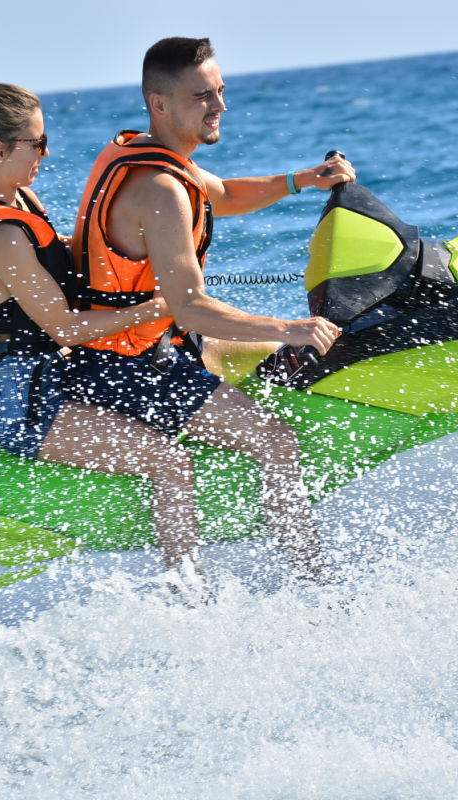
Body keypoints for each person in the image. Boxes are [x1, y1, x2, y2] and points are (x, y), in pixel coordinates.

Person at [0, 79, 214, 574]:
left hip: (57, 376)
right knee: (170, 462)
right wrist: (158, 306)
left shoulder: (8, 193)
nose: (45, 153)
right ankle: (190, 594)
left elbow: (54, 252)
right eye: (36, 143)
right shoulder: (0, 236)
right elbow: (66, 328)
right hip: (27, 406)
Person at [69, 37, 356, 581]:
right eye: (202, 96)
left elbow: (221, 194)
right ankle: (314, 583)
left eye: (220, 91)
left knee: (274, 358)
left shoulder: (144, 152)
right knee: (276, 439)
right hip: (123, 365)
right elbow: (192, 308)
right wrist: (292, 327)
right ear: (159, 103)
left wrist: (300, 180)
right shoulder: (158, 189)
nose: (219, 105)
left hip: (144, 346)